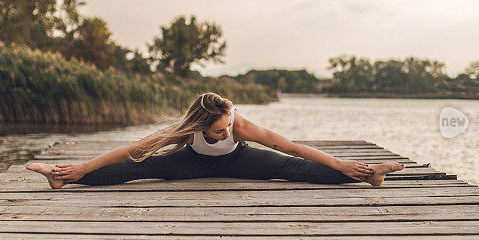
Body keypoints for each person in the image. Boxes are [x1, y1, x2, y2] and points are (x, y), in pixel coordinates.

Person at [26, 92, 404, 188]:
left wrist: (342, 164)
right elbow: (131, 150)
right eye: (217, 130)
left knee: (297, 169)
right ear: (200, 124)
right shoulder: (187, 127)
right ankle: (63, 178)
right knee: (133, 169)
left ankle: (370, 175)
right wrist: (80, 167)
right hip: (191, 163)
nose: (224, 132)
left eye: (227, 126)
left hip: (242, 161)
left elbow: (290, 147)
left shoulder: (238, 126)